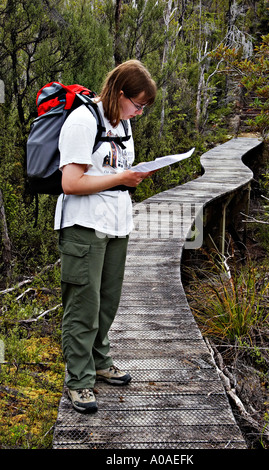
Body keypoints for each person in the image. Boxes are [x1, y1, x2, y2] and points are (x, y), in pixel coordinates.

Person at [54, 60, 157, 413]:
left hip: (116, 225)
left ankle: (99, 361)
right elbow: (71, 182)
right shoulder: (83, 121)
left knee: (107, 300)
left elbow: (115, 169)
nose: (140, 113)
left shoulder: (122, 123)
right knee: (83, 304)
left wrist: (131, 177)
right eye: (138, 104)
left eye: (145, 107)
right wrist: (120, 180)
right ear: (120, 93)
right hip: (83, 226)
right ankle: (79, 381)